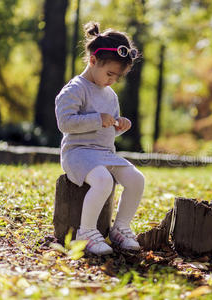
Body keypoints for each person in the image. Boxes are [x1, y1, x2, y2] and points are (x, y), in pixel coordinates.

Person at [55, 22, 145, 255]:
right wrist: (98, 119)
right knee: (104, 181)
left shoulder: (110, 94)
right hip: (78, 153)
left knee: (136, 179)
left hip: (104, 153)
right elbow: (65, 123)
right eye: (110, 73)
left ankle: (121, 227)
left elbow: (107, 126)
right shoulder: (75, 89)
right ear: (93, 61)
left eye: (118, 76)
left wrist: (119, 125)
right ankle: (85, 233)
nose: (112, 80)